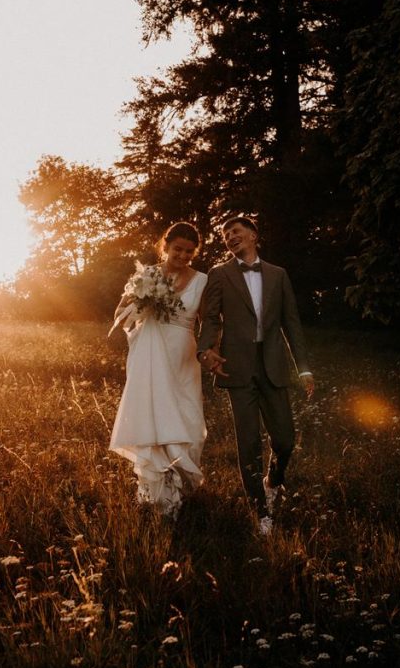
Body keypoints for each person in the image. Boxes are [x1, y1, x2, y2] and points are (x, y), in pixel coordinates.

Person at [197, 216, 314, 534]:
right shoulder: (219, 274)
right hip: (238, 368)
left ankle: (273, 481)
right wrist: (205, 349)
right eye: (224, 234)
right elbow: (210, 318)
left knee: (286, 441)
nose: (229, 237)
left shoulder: (279, 275)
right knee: (248, 443)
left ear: (253, 235)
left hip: (273, 366)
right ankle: (261, 511)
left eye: (235, 231)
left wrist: (303, 367)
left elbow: (292, 323)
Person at [109, 222, 208, 516]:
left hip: (184, 357)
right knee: (153, 415)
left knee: (187, 416)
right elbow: (120, 315)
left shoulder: (202, 280)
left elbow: (209, 322)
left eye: (190, 252)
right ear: (165, 246)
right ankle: (158, 496)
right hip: (149, 352)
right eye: (178, 249)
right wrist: (145, 304)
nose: (183, 255)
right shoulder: (147, 275)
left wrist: (210, 350)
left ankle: (180, 484)